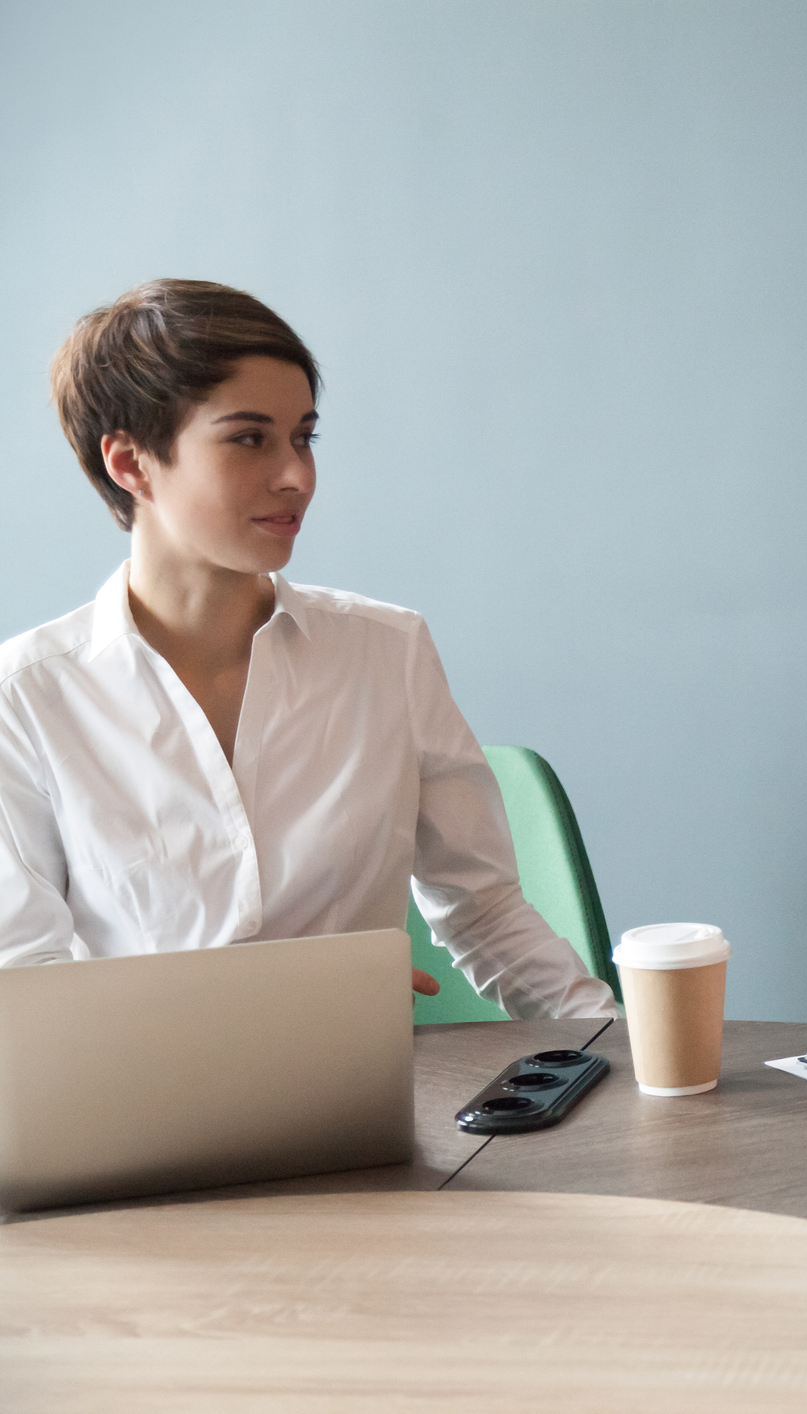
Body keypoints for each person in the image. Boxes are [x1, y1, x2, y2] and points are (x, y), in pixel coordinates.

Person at [0, 279, 615, 1020]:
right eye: (249, 438)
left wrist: (613, 1052)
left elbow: (485, 914)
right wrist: (290, 1001)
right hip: (142, 1116)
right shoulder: (26, 698)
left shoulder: (388, 652)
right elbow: (25, 991)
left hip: (359, 1105)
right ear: (130, 464)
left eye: (304, 436)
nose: (297, 476)